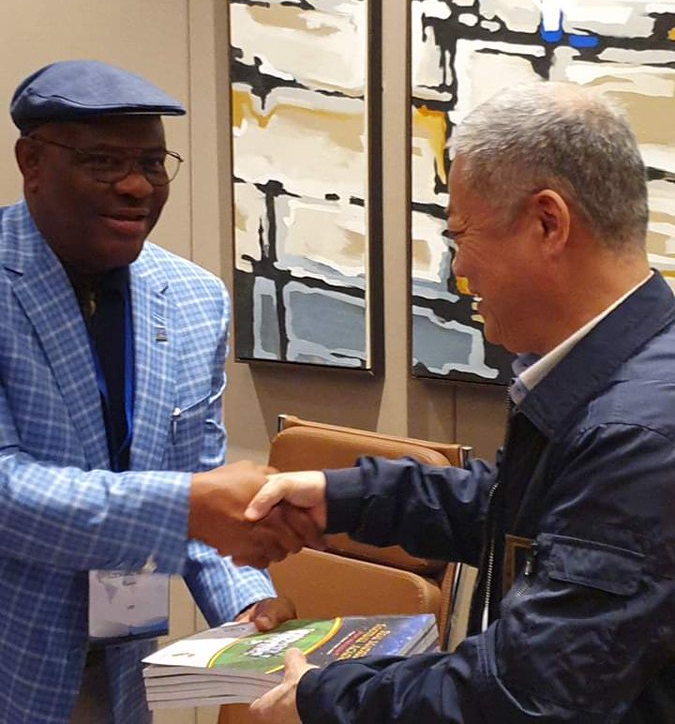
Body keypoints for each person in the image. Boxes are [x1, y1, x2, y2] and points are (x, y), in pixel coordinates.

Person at [245, 82, 675, 724]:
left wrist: (320, 699)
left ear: (548, 223)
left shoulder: (637, 434)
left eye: (461, 237)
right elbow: (519, 510)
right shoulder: (626, 379)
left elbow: (524, 696)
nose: (457, 273)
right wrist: (341, 496)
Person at [0, 60, 318, 724]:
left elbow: (198, 480)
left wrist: (245, 598)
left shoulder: (196, 299)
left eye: (152, 163)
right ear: (32, 163)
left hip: (120, 668)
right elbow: (8, 493)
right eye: (103, 163)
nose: (137, 186)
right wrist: (188, 506)